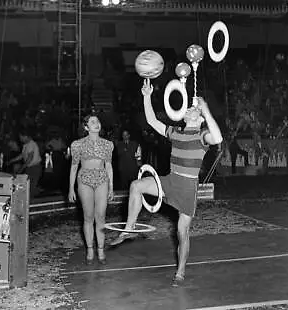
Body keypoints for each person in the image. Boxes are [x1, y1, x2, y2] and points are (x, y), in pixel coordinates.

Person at [109, 79, 222, 286]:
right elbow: (152, 121)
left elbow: (218, 136)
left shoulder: (202, 135)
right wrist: (146, 96)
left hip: (187, 188)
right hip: (169, 180)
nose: (189, 109)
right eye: (189, 108)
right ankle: (128, 229)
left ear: (200, 118)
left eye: (193, 109)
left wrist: (205, 108)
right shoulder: (176, 132)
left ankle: (180, 272)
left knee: (182, 232)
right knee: (136, 186)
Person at [68, 114, 114, 264]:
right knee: (88, 216)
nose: (97, 124)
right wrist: (71, 188)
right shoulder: (77, 145)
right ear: (86, 127)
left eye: (98, 121)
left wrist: (111, 187)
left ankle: (101, 250)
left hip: (102, 179)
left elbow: (108, 165)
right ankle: (89, 249)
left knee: (100, 216)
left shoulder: (108, 144)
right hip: (84, 180)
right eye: (92, 122)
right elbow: (74, 166)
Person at [8, 129, 42, 199]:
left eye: (21, 137)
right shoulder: (26, 145)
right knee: (27, 186)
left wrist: (22, 168)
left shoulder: (31, 144)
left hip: (34, 168)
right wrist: (12, 160)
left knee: (30, 187)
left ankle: (31, 203)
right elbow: (22, 155)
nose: (20, 139)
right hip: (30, 168)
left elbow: (29, 158)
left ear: (26, 136)